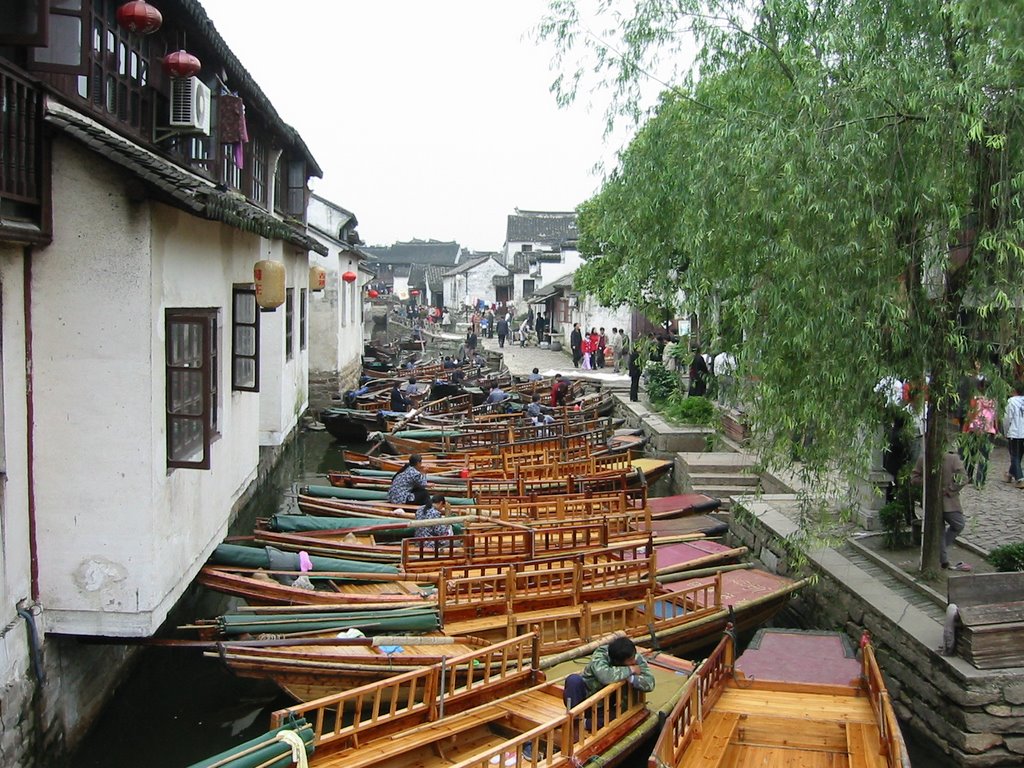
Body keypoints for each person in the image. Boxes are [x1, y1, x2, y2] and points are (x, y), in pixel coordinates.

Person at [911, 444, 971, 570]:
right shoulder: (924, 459)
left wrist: (950, 490)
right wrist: (930, 484)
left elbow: (963, 478)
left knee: (957, 524)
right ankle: (943, 559)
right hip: (933, 501)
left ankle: (939, 551)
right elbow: (914, 478)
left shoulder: (952, 458)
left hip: (948, 501)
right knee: (941, 529)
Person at [562, 636, 655, 716]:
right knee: (573, 680)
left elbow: (650, 683)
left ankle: (586, 723)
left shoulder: (635, 657)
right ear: (618, 661)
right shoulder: (601, 654)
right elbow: (605, 676)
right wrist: (630, 670)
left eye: (633, 658)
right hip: (587, 699)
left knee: (615, 718)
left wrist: (631, 678)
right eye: (630, 661)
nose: (633, 662)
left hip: (607, 706)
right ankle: (575, 718)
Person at [960, 377, 997, 487]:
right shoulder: (994, 401)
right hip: (989, 429)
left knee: (971, 453)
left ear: (980, 387)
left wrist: (966, 428)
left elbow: (971, 414)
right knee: (984, 456)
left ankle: (968, 476)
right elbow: (995, 416)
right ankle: (980, 481)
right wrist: (996, 428)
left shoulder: (976, 399)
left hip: (975, 428)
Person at [1003, 381, 1024, 488]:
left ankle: (1020, 478)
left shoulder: (1011, 401)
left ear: (1014, 391)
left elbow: (1007, 418)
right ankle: (1010, 475)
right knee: (1018, 456)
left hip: (1015, 432)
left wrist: (1005, 431)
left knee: (1014, 456)